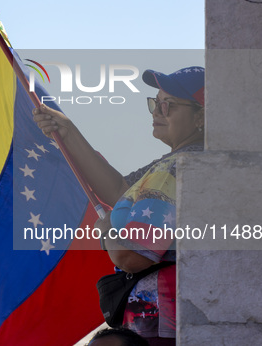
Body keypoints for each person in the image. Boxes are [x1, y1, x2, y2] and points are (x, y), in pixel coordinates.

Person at [33, 66, 205, 345]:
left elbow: (131, 257)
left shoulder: (174, 168)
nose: (156, 112)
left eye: (168, 105)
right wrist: (68, 131)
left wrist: (107, 231)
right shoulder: (192, 159)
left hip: (161, 327)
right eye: (155, 103)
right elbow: (120, 190)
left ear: (201, 115)